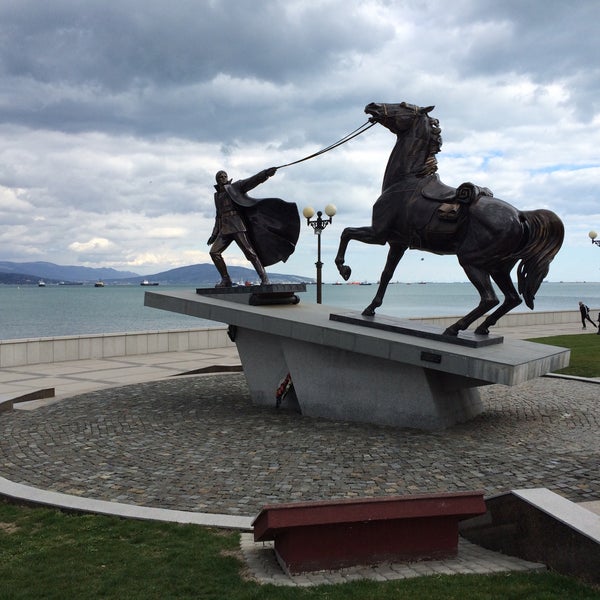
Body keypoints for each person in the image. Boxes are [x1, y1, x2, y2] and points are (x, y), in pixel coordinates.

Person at [208, 167, 300, 287]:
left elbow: (252, 181)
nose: (223, 178)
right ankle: (226, 279)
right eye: (220, 177)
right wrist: (214, 235)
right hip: (224, 229)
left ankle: (264, 279)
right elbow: (218, 216)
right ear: (217, 180)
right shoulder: (217, 196)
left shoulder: (235, 187)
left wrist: (265, 174)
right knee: (214, 253)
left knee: (250, 252)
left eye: (225, 176)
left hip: (237, 226)